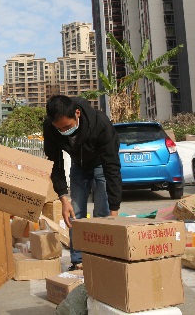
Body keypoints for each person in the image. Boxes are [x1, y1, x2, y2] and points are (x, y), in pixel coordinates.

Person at [43, 95, 122, 271]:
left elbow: (112, 167)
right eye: (59, 129)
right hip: (79, 166)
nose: (63, 131)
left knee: (103, 212)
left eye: (67, 127)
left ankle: (101, 258)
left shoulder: (99, 123)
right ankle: (78, 260)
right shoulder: (50, 127)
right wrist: (63, 198)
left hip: (102, 164)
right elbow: (55, 164)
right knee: (75, 213)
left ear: (77, 114)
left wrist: (114, 208)